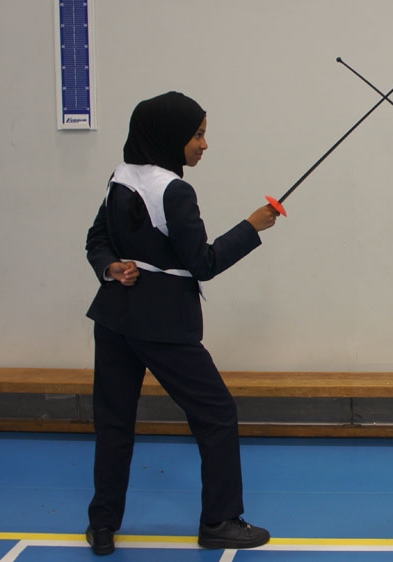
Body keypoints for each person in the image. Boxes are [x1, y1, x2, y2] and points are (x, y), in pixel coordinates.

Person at [84, 91, 279, 554]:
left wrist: (111, 267)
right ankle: (220, 521)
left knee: (113, 423)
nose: (204, 144)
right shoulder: (174, 190)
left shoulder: (121, 174)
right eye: (197, 134)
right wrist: (253, 227)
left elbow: (96, 239)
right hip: (163, 324)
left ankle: (102, 524)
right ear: (171, 136)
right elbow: (204, 262)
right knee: (216, 415)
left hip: (113, 317)